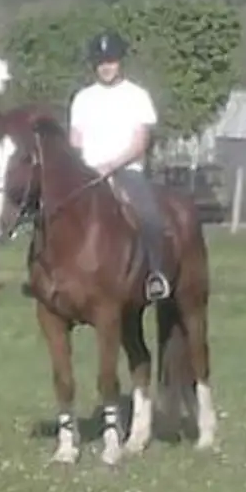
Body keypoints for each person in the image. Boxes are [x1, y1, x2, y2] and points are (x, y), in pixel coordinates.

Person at [69, 31, 170, 302]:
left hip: (127, 171)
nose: (106, 66)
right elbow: (75, 142)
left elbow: (140, 143)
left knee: (149, 216)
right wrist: (84, 169)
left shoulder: (137, 96)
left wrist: (111, 166)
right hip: (88, 176)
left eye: (111, 60)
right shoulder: (82, 98)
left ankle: (155, 274)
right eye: (101, 61)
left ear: (120, 61)